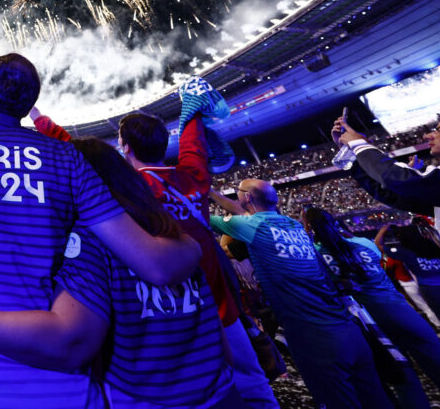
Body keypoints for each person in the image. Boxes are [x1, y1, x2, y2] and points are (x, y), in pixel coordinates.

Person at [0, 53, 201, 409]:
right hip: (58, 388)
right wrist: (194, 245)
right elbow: (154, 265)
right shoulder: (67, 159)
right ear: (29, 102)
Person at [0, 138, 241, 408]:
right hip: (222, 393)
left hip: (146, 401)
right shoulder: (170, 234)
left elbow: (71, 342)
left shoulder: (89, 243)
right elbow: (214, 330)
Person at [34, 103, 277, 408]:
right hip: (216, 305)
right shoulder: (194, 177)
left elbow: (88, 156)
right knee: (252, 382)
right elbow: (192, 142)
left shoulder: (129, 187)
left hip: (165, 311)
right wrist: (192, 110)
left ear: (125, 147)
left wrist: (40, 119)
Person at [210, 179, 391, 408]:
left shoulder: (253, 227)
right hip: (346, 325)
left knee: (339, 401)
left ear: (246, 197)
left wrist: (204, 190)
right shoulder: (295, 226)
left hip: (312, 334)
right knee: (375, 397)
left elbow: (198, 217)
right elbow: (245, 213)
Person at [303, 206, 440, 408]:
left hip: (372, 322)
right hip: (402, 312)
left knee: (403, 380)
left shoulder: (315, 255)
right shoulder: (363, 243)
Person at [333, 108, 440, 283]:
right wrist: (352, 152)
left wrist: (359, 145)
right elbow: (392, 194)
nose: (428, 136)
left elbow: (401, 180)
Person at [385, 222, 440, 346]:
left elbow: (380, 246)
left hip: (435, 292)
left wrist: (384, 229)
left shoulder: (407, 252)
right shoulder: (436, 247)